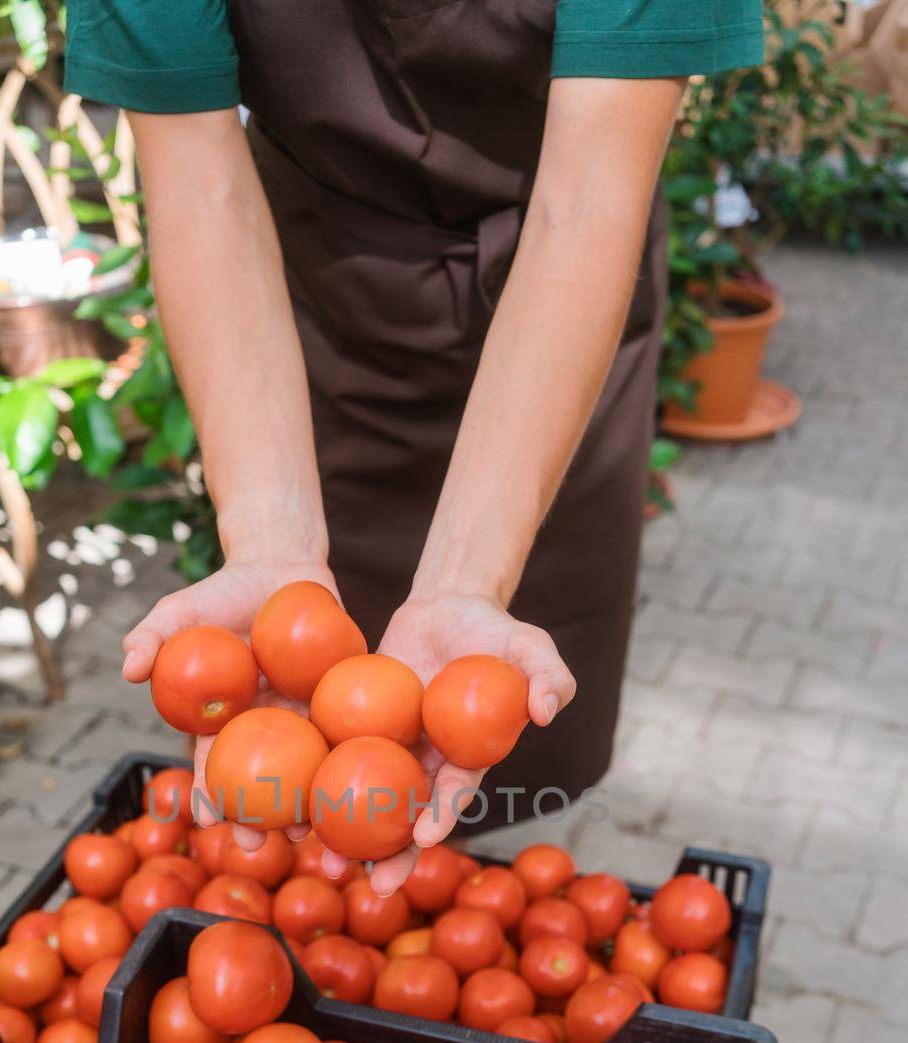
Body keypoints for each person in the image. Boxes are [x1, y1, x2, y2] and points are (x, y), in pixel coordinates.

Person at [65, 0, 764, 892]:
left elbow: (585, 198)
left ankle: (469, 892)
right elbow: (200, 184)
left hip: (568, 269)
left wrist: (467, 580)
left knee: (511, 723)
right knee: (343, 717)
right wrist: (273, 542)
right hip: (329, 286)